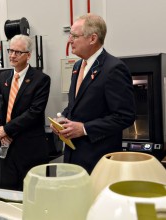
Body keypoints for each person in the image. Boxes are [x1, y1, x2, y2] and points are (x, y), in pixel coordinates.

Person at [50, 13, 135, 174]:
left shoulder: (114, 68)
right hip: (72, 157)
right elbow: (75, 105)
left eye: (74, 36)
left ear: (93, 38)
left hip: (98, 160)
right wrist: (62, 120)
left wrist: (84, 129)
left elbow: (125, 116)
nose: (69, 41)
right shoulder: (77, 66)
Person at [0, 34, 51, 190]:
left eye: (18, 52)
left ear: (28, 55)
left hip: (29, 148)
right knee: (7, 192)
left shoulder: (41, 79)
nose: (12, 55)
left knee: (32, 194)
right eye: (10, 50)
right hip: (6, 146)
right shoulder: (3, 77)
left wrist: (7, 129)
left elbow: (34, 112)